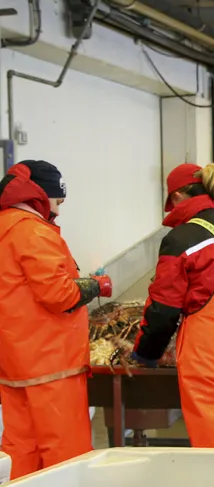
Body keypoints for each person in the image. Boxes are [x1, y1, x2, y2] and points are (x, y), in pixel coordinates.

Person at [128, 162, 214, 448]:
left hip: (210, 355)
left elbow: (164, 306)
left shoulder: (181, 239)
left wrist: (146, 353)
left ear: (178, 196)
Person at [0, 160, 113, 479]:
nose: (59, 212)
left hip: (13, 365)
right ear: (39, 195)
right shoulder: (32, 230)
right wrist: (96, 285)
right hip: (52, 364)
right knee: (67, 454)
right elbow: (58, 295)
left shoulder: (3, 226)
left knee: (20, 451)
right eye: (58, 202)